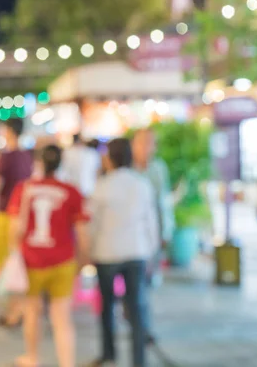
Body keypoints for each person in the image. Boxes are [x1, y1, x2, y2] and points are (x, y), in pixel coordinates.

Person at [7, 145, 90, 367]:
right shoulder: (72, 191)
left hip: (31, 260)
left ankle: (33, 358)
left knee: (32, 312)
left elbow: (14, 230)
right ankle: (67, 363)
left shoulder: (23, 190)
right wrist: (82, 262)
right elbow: (83, 234)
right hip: (63, 261)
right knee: (62, 318)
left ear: (38, 162)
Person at [88, 138, 159, 367]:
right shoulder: (141, 184)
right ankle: (139, 360)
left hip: (107, 252)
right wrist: (152, 251)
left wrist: (88, 250)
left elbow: (93, 224)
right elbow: (151, 222)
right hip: (136, 251)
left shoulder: (102, 186)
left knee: (107, 306)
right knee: (136, 307)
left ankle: (109, 353)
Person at [0, 118, 33, 327]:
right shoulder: (27, 156)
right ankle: (15, 308)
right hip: (24, 214)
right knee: (13, 261)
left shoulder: (5, 158)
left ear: (10, 131)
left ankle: (17, 307)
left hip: (5, 214)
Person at [132, 128, 174, 287]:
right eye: (141, 142)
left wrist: (166, 230)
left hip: (152, 231)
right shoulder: (126, 168)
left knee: (148, 281)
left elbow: (163, 203)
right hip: (131, 234)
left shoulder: (158, 169)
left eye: (149, 143)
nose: (145, 147)